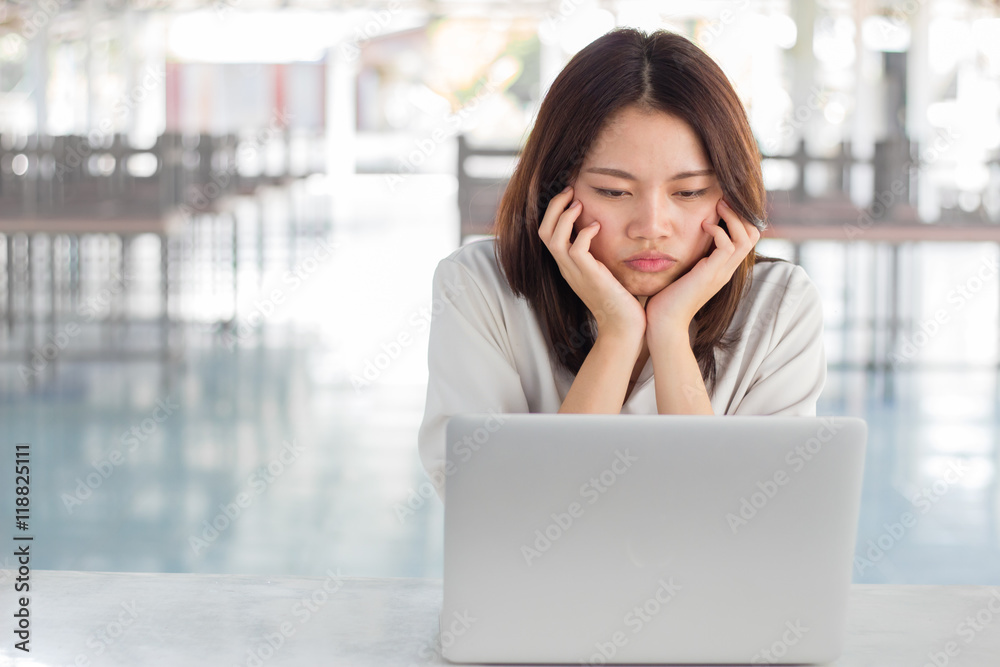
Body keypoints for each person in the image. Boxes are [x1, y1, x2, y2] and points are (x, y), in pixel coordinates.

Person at [417, 27, 826, 502]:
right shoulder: (479, 287)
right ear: (555, 190)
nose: (651, 226)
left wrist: (670, 331)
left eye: (689, 192)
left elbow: (742, 526)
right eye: (613, 191)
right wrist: (618, 332)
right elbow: (499, 518)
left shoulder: (781, 304)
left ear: (730, 194)